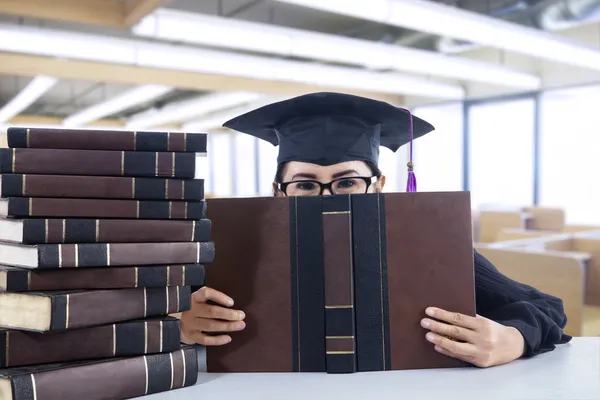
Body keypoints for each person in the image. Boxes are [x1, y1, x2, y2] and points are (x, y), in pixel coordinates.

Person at [177, 92, 571, 369]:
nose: (326, 197)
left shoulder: (427, 246)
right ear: (279, 191)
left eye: (347, 182)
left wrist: (512, 340)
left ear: (379, 185)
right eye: (305, 184)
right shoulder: (232, 248)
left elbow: (547, 308)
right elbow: (140, 320)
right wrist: (178, 325)